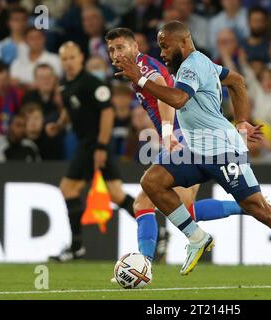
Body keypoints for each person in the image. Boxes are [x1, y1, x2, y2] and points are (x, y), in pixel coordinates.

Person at [114, 21, 271, 290]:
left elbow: (179, 99)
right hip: (196, 149)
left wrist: (140, 78)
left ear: (182, 43)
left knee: (260, 209)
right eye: (160, 48)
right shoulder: (200, 64)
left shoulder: (192, 65)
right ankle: (197, 238)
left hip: (223, 151)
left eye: (165, 47)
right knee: (152, 182)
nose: (163, 53)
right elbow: (236, 81)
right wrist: (241, 122)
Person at [105, 27, 249, 266]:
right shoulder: (138, 68)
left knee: (148, 203)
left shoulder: (142, 66)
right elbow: (233, 79)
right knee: (183, 209)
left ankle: (145, 265)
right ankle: (247, 205)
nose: (116, 54)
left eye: (120, 47)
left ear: (134, 47)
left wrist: (168, 131)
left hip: (183, 135)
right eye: (111, 50)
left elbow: (164, 89)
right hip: (192, 134)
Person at [46, 42, 137, 262]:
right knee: (116, 194)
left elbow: (107, 113)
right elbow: (70, 109)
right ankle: (159, 231)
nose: (68, 63)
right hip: (89, 144)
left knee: (68, 188)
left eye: (72, 58)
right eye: (64, 58)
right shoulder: (64, 84)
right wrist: (59, 125)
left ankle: (76, 246)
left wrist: (101, 147)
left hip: (92, 144)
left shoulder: (91, 83)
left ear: (81, 58)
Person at [0, 64, 23, 135]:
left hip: (12, 135)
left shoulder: (17, 95)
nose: (1, 83)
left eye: (4, 80)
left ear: (9, 79)